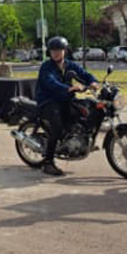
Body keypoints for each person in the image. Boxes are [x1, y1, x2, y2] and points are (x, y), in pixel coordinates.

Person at [34, 36, 99, 177]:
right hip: (48, 101)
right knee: (56, 127)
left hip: (65, 100)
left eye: (59, 50)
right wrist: (68, 88)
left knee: (85, 112)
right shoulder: (46, 67)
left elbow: (84, 74)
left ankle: (78, 141)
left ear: (65, 51)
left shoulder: (70, 65)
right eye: (53, 50)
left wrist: (93, 82)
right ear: (49, 52)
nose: (56, 53)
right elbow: (50, 82)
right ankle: (48, 162)